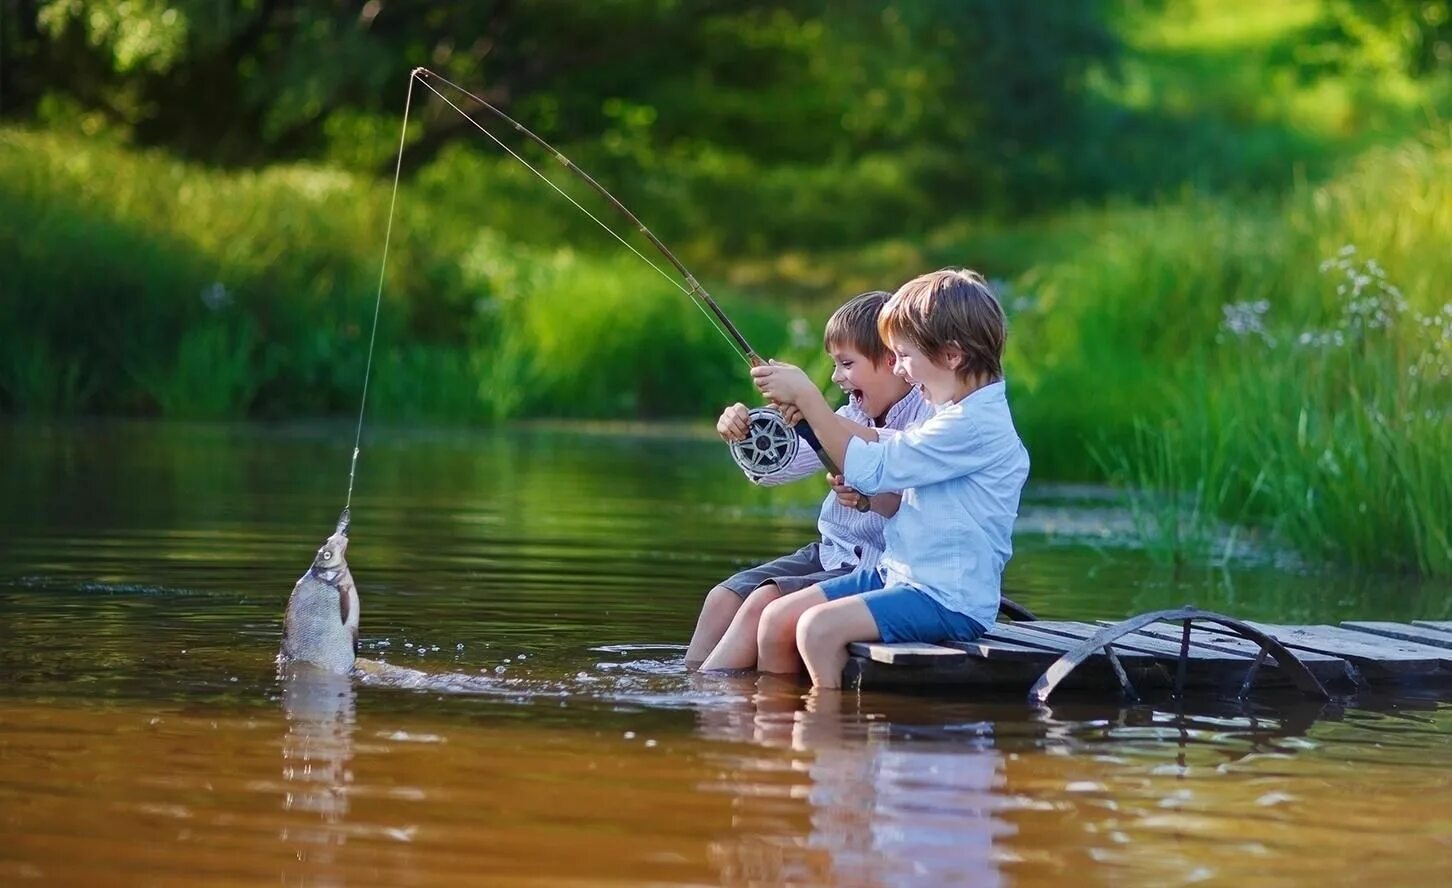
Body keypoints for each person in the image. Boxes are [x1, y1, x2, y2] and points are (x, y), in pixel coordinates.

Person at [750, 268, 1030, 688]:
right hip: (897, 574)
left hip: (944, 598)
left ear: (951, 356)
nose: (899, 369)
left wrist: (810, 399)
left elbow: (873, 468)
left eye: (904, 355)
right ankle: (777, 729)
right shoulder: (951, 412)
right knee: (777, 617)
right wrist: (814, 418)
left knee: (817, 630)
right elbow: (885, 447)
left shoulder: (973, 424)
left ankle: (827, 738)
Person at [685, 290, 933, 671]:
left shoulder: (927, 416)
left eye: (846, 364)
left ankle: (709, 702)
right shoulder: (850, 411)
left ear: (890, 360)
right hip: (831, 553)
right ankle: (690, 686)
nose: (837, 377)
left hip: (878, 568)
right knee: (722, 598)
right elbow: (776, 470)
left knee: (760, 604)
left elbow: (894, 453)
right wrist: (747, 431)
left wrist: (814, 408)